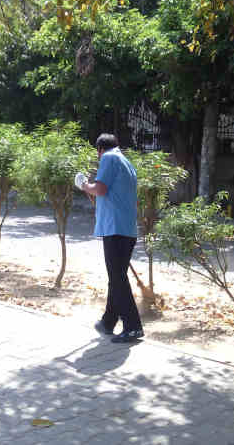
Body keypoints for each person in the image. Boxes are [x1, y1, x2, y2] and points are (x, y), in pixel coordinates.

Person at [78, 133, 144, 343]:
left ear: (99, 150)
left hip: (115, 229)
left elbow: (100, 188)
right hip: (126, 229)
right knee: (117, 278)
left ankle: (133, 327)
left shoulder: (108, 158)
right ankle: (108, 321)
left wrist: (83, 185)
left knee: (117, 278)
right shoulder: (126, 163)